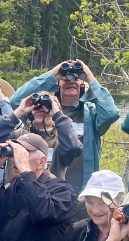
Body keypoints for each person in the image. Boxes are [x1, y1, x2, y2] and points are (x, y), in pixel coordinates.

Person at [9, 60, 119, 193]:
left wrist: (90, 77)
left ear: (83, 85)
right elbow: (14, 103)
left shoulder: (91, 114)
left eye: (77, 78)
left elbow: (111, 113)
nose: (71, 81)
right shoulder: (41, 112)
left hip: (81, 191)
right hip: (43, 191)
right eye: (65, 79)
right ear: (57, 85)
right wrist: (52, 74)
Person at [0, 91, 81, 181]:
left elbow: (73, 148)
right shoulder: (17, 136)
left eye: (47, 108)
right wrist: (20, 111)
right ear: (30, 115)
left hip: (46, 195)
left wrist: (58, 115)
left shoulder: (60, 143)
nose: (41, 109)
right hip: (13, 193)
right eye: (36, 107)